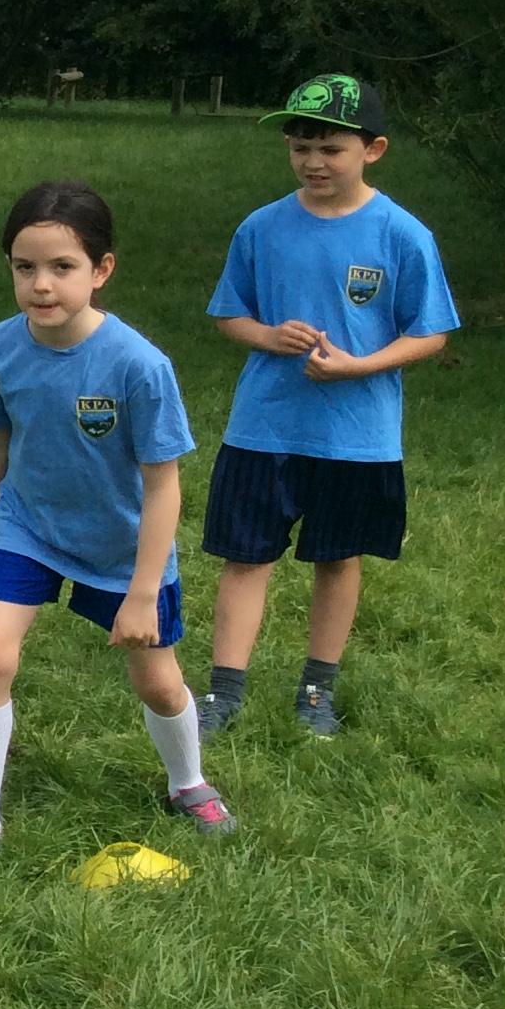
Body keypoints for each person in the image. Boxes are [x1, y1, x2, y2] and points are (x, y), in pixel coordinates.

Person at [0, 180, 234, 851]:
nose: (41, 285)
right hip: (29, 527)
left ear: (101, 270)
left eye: (62, 267)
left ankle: (188, 782)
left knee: (158, 683)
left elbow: (163, 487)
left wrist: (142, 592)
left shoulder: (139, 365)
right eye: (24, 267)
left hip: (122, 547)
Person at [198, 75, 458, 739]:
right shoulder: (261, 227)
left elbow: (430, 332)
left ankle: (316, 693)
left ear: (374, 149)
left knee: (338, 559)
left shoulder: (402, 234)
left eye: (331, 149)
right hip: (264, 427)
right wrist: (268, 336)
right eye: (300, 147)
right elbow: (230, 314)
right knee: (245, 557)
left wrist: (357, 367)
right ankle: (223, 694)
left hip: (357, 435)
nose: (313, 162)